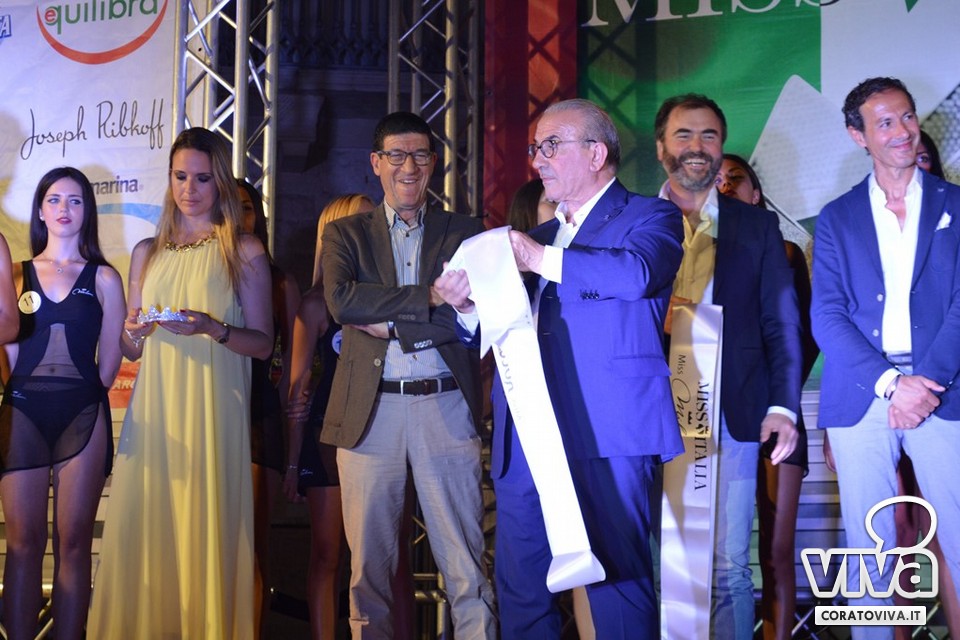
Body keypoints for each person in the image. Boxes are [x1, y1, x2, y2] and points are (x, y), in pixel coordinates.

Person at [438, 98, 685, 639]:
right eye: (535, 148)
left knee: (617, 584)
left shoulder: (650, 217)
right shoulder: (539, 238)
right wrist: (465, 306)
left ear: (596, 153)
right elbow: (488, 331)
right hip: (528, 434)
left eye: (551, 145)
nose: (537, 160)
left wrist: (535, 258)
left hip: (608, 430)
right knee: (521, 587)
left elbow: (637, 274)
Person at [88, 128, 274, 638]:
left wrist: (213, 328)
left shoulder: (243, 249)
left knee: (206, 527)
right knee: (148, 526)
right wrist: (133, 332)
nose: (189, 189)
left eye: (202, 178)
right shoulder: (146, 252)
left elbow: (263, 343)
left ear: (220, 182)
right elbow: (131, 348)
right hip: (158, 411)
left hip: (215, 410)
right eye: (180, 176)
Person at [320, 111, 495, 639]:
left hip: (446, 405)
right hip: (371, 413)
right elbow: (343, 303)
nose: (408, 167)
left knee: (466, 567)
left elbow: (471, 318)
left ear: (433, 163)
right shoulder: (345, 234)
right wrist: (432, 296)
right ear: (376, 163)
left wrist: (394, 322)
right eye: (396, 155)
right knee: (368, 573)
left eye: (419, 155)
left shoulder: (465, 233)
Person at [811, 77, 960, 640]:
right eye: (885, 123)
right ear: (859, 136)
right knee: (868, 545)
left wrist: (924, 383)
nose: (902, 131)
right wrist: (892, 385)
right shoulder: (837, 216)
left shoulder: (955, 205)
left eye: (908, 117)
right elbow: (827, 316)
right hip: (863, 391)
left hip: (942, 390)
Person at [655, 94, 802, 639]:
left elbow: (781, 324)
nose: (697, 146)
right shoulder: (631, 220)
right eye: (684, 134)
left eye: (709, 135)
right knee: (663, 567)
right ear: (661, 147)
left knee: (727, 566)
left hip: (732, 411)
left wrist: (783, 405)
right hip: (650, 412)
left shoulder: (756, 226)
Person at [0, 167, 119, 640]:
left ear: (87, 211)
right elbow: (7, 356)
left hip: (83, 417)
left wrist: (78, 397)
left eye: (75, 200)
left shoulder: (105, 278)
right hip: (22, 414)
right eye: (54, 199)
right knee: (22, 544)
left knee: (72, 545)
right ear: (40, 210)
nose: (64, 209)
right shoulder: (15, 274)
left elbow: (107, 368)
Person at [716, 153, 817, 640]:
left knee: (776, 549)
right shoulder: (695, 254)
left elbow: (803, 337)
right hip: (714, 417)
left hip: (776, 414)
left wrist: (777, 396)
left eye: (736, 180)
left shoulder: (786, 252)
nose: (725, 186)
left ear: (756, 195)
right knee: (721, 552)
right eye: (718, 180)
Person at [284, 193, 375, 639]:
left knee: (378, 558)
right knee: (327, 554)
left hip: (380, 433)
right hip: (327, 439)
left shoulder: (386, 297)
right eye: (362, 224)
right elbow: (296, 391)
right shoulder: (316, 303)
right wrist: (291, 463)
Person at [238, 178, 301, 639]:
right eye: (231, 206)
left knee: (254, 546)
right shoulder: (205, 271)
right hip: (209, 406)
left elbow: (293, 364)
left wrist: (291, 446)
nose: (239, 216)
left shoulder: (280, 282)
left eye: (246, 207)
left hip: (260, 413)